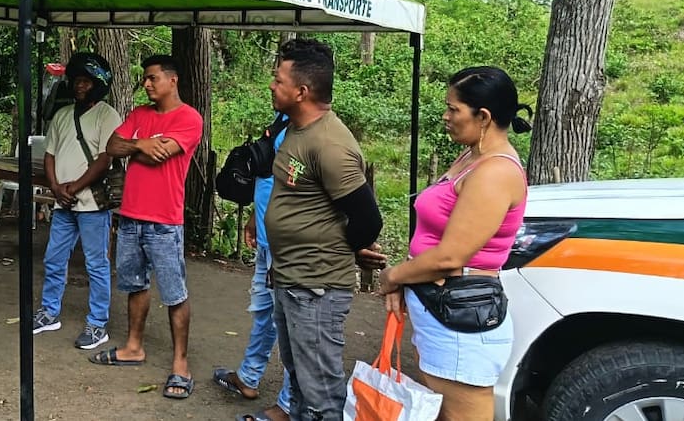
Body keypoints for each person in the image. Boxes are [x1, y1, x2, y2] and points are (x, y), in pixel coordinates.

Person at [379, 66, 531, 421]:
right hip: (441, 309)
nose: (445, 117)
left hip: (460, 321)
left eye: (453, 109)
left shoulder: (494, 173)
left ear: (484, 117)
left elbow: (450, 257)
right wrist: (411, 278)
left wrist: (394, 276)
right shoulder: (470, 156)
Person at [265, 38, 383, 421]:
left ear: (301, 91)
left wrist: (343, 248)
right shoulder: (297, 130)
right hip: (292, 279)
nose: (272, 85)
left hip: (315, 286)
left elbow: (368, 219)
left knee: (320, 393)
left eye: (278, 79)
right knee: (299, 381)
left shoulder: (330, 144)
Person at [89, 54, 204, 402]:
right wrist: (141, 143)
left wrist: (137, 146)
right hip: (130, 216)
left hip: (165, 221)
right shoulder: (139, 114)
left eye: (153, 77)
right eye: (145, 78)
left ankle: (180, 364)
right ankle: (133, 347)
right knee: (134, 284)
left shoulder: (189, 118)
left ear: (173, 80)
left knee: (174, 293)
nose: (147, 84)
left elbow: (162, 153)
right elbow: (112, 147)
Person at [30, 52, 123, 350]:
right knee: (54, 258)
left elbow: (105, 158)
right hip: (64, 203)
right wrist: (57, 188)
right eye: (76, 81)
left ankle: (97, 324)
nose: (80, 86)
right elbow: (50, 155)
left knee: (96, 264)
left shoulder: (107, 115)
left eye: (86, 81)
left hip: (92, 204)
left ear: (98, 83)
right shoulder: (62, 115)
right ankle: (49, 312)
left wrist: (74, 187)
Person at [213, 112, 294, 421]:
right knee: (264, 312)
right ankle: (248, 376)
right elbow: (269, 177)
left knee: (290, 322)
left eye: (280, 75)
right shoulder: (283, 119)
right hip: (266, 238)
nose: (274, 82)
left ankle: (289, 404)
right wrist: (254, 218)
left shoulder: (307, 130)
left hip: (284, 246)